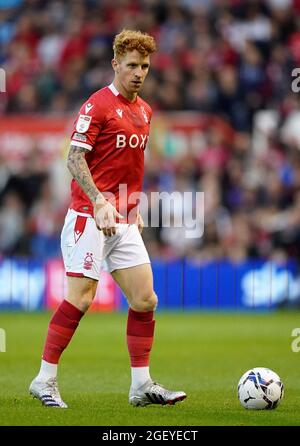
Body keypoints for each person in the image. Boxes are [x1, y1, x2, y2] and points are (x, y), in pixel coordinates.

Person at [29, 29, 187, 408]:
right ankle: (44, 380)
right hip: (89, 215)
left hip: (123, 218)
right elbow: (73, 158)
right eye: (131, 65)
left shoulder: (145, 111)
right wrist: (99, 201)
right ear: (115, 64)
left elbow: (130, 166)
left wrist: (134, 206)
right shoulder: (96, 105)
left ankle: (141, 385)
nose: (138, 73)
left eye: (145, 66)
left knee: (145, 299)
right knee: (81, 298)